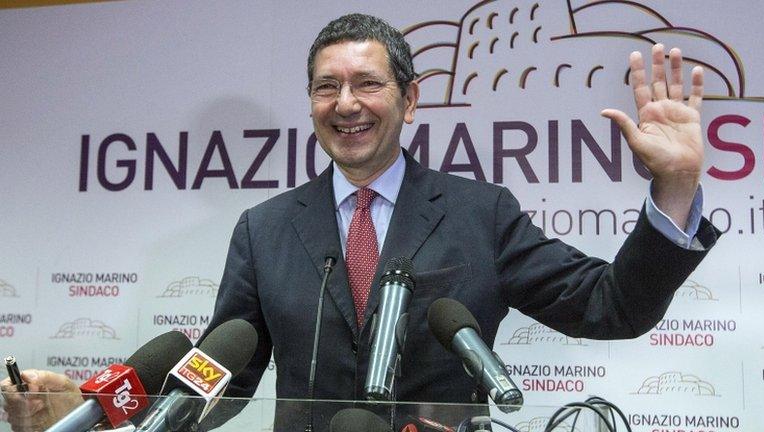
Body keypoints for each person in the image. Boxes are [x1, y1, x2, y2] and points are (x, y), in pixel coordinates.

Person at [2, 13, 718, 432]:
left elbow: (611, 306)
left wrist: (677, 185)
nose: (346, 102)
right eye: (326, 86)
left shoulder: (480, 212)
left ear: (410, 99)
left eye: (367, 83)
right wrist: (106, 410)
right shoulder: (265, 227)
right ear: (312, 104)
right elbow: (228, 374)